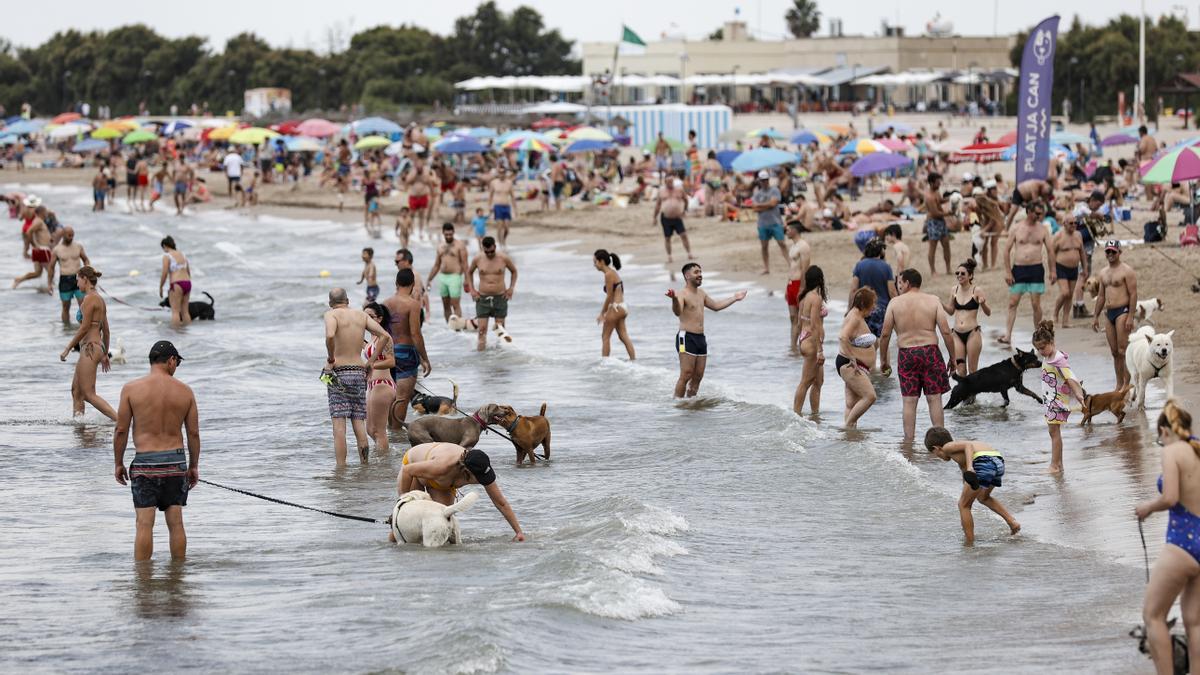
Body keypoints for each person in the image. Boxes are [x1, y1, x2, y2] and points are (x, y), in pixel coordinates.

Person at [113, 341, 199, 561]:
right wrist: (193, 467)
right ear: (171, 360)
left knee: (144, 524)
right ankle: (178, 575)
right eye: (177, 362)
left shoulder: (131, 389)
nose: (176, 367)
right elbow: (193, 434)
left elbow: (121, 429)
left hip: (145, 465)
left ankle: (143, 580)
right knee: (176, 523)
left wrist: (118, 463)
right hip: (175, 464)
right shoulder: (186, 392)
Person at [1136, 400, 1200, 674]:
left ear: (1164, 430)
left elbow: (1171, 497)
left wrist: (1148, 507)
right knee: (1194, 622)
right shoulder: (1197, 448)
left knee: (1153, 615)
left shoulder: (1173, 450)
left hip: (1183, 543)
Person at [880, 269, 954, 443]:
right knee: (934, 398)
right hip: (930, 352)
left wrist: (883, 360)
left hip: (907, 354)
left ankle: (908, 443)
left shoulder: (894, 303)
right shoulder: (933, 300)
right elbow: (946, 331)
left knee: (909, 401)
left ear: (907, 283)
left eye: (900, 282)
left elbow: (885, 335)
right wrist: (953, 357)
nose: (899, 286)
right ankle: (941, 442)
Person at [397, 443, 525, 541]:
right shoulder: (442, 466)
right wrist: (403, 501)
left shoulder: (480, 467)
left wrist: (518, 532)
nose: (483, 481)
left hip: (442, 485)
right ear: (466, 472)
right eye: (479, 479)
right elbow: (408, 471)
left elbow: (501, 503)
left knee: (443, 525)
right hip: (415, 469)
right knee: (408, 526)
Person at [323, 287, 390, 466]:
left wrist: (331, 357)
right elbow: (384, 335)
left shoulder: (331, 315)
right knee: (358, 422)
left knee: (339, 426)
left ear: (331, 304)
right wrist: (371, 362)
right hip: (359, 371)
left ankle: (341, 469)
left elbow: (330, 335)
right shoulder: (361, 316)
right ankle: (364, 465)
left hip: (339, 371)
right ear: (348, 301)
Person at [924, 427, 1020, 546]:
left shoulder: (948, 447)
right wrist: (967, 477)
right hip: (997, 461)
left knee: (963, 505)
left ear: (936, 448)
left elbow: (968, 446)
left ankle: (969, 543)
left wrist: (970, 467)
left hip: (982, 462)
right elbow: (965, 474)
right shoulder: (958, 453)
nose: (939, 457)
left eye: (935, 455)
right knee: (983, 497)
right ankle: (1012, 522)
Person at [666, 262, 747, 398]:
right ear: (687, 275)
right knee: (686, 374)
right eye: (696, 272)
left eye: (700, 272)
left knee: (698, 376)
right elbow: (677, 311)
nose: (700, 275)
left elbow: (715, 306)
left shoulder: (701, 293)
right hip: (685, 338)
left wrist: (734, 298)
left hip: (700, 338)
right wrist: (674, 299)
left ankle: (690, 403)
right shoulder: (681, 294)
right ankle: (677, 405)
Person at [59, 266, 117, 420]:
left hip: (90, 349)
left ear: (85, 279)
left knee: (88, 394)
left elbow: (84, 328)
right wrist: (104, 353)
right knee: (76, 391)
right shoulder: (99, 299)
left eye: (77, 280)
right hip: (95, 348)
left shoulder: (90, 298)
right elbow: (106, 330)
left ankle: (120, 421)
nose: (77, 284)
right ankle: (80, 424)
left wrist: (67, 348)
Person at [1031, 320, 1085, 474]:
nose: (1041, 351)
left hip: (1057, 401)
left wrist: (1079, 394)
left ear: (1051, 342)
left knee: (1054, 432)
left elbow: (1069, 377)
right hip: (1050, 400)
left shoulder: (1057, 358)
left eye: (1043, 347)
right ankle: (1059, 465)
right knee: (1053, 432)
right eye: (1038, 349)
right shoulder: (1049, 356)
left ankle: (1055, 465)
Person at [380, 269, 431, 430]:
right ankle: (395, 433)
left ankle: (389, 431)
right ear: (413, 284)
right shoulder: (413, 305)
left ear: (396, 283)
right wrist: (425, 358)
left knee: (391, 395)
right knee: (402, 397)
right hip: (406, 353)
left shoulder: (385, 304)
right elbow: (415, 334)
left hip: (387, 352)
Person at [1001, 200, 1056, 345]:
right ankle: (1007, 335)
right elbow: (1006, 250)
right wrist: (1008, 272)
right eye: (1037, 213)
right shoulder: (1017, 228)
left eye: (1041, 213)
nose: (1039, 216)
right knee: (1013, 303)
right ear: (1029, 212)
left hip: (1036, 268)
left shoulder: (1043, 229)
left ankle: (1039, 335)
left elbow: (1050, 251)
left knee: (1035, 304)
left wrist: (1053, 271)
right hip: (1019, 269)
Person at [1091, 240, 1138, 390]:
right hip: (1109, 313)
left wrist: (1131, 316)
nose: (1110, 254)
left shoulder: (1127, 271)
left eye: (1113, 251)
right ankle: (1119, 383)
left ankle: (1127, 383)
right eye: (1108, 251)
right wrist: (1095, 316)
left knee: (1123, 350)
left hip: (1122, 311)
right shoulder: (1103, 272)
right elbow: (1101, 296)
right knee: (1114, 352)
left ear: (1119, 252)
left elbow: (1133, 294)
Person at [466, 236, 517, 351]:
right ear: (483, 248)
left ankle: (500, 357)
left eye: (491, 251)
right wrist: (472, 290)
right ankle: (482, 360)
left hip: (500, 297)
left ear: (495, 246)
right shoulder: (478, 259)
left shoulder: (503, 258)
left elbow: (514, 271)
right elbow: (469, 273)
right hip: (482, 298)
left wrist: (511, 288)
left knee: (500, 330)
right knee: (482, 330)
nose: (489, 254)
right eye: (486, 251)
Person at [942, 259, 990, 378]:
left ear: (970, 275)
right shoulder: (954, 290)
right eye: (957, 273)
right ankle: (965, 396)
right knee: (961, 371)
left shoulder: (976, 290)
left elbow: (988, 313)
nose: (959, 275)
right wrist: (940, 304)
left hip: (972, 333)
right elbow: (951, 311)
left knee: (973, 371)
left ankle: (973, 396)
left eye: (962, 273)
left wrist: (983, 304)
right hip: (957, 334)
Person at [838, 288, 879, 427]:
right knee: (870, 396)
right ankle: (846, 429)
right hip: (850, 364)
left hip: (849, 363)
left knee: (851, 405)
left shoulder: (856, 316)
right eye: (873, 303)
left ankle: (850, 438)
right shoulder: (855, 317)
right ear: (863, 303)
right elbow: (843, 337)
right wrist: (852, 358)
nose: (874, 306)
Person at [1071, 190, 1111, 319]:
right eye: (1097, 204)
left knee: (1084, 275)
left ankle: (1079, 305)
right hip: (1080, 249)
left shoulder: (1088, 211)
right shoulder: (1082, 207)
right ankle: (1079, 306)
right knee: (1082, 276)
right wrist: (1097, 215)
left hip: (1087, 248)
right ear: (1092, 200)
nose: (1098, 208)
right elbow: (1082, 213)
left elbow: (1095, 226)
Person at [362, 303, 396, 451]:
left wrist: (371, 365)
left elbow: (391, 362)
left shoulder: (385, 337)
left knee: (378, 431)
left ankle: (383, 466)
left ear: (379, 319)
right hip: (372, 385)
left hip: (383, 384)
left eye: (370, 317)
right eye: (364, 316)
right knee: (370, 430)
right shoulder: (371, 338)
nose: (366, 320)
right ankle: (383, 463)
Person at [793, 265, 827, 415]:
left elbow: (799, 322)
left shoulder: (804, 297)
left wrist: (800, 341)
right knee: (806, 382)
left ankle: (815, 415)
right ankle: (796, 415)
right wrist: (819, 350)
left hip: (805, 339)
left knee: (818, 382)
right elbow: (814, 324)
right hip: (813, 342)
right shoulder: (816, 298)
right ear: (820, 280)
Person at [848, 238, 896, 340]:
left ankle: (869, 355)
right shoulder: (886, 267)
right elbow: (892, 291)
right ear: (880, 251)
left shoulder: (859, 265)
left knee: (864, 340)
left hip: (863, 309)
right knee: (882, 340)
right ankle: (881, 356)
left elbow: (853, 289)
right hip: (881, 309)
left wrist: (849, 308)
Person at [594, 249, 635, 360]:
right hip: (622, 307)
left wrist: (602, 313)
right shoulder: (613, 273)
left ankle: (604, 364)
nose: (594, 265)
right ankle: (633, 361)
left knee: (605, 336)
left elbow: (609, 296)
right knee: (623, 336)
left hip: (616, 308)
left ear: (601, 261)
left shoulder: (608, 274)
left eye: (595, 262)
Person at [426, 222, 469, 322]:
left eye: (450, 234)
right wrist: (429, 279)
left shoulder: (460, 246)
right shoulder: (440, 246)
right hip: (443, 277)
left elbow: (465, 264)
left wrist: (467, 280)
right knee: (445, 305)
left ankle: (458, 328)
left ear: (453, 232)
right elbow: (436, 265)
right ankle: (450, 330)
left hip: (455, 276)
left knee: (455, 304)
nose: (449, 236)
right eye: (446, 234)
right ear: (443, 233)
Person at [49, 226, 90, 324]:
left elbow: (86, 260)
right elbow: (51, 267)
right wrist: (49, 283)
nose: (71, 237)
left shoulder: (78, 246)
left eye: (72, 235)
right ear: (63, 235)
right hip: (65, 280)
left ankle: (84, 327)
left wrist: (88, 273)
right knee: (66, 306)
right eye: (69, 235)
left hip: (78, 279)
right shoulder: (57, 249)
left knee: (83, 304)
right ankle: (66, 328)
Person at [751, 170, 788, 275]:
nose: (765, 182)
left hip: (775, 221)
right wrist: (766, 205)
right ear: (760, 181)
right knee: (764, 246)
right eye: (763, 180)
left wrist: (760, 205)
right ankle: (766, 268)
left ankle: (791, 264)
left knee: (782, 243)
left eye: (766, 180)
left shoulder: (775, 190)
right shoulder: (758, 193)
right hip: (763, 223)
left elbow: (773, 204)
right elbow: (754, 208)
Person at [13, 200, 53, 293]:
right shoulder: (38, 221)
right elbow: (29, 231)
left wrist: (49, 240)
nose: (47, 213)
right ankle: (51, 288)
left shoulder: (38, 221)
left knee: (38, 273)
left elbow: (37, 234)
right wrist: (35, 245)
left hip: (39, 249)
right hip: (42, 249)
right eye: (45, 212)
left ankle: (19, 279)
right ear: (41, 212)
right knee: (51, 270)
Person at [784, 222, 813, 351]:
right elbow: (791, 267)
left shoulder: (804, 246)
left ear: (795, 230)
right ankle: (793, 346)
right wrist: (787, 285)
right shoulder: (793, 246)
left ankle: (803, 345)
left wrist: (802, 287)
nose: (787, 231)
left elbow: (805, 268)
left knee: (800, 317)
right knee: (792, 317)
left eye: (789, 229)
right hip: (791, 283)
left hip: (798, 284)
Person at [1051, 214, 1084, 328]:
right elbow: (1051, 254)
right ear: (1064, 224)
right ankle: (1055, 313)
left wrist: (1085, 268)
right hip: (1061, 267)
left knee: (1070, 295)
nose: (1074, 225)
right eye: (1071, 223)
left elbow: (1082, 252)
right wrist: (1052, 271)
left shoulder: (1078, 235)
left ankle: (1065, 321)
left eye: (1076, 223)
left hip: (1074, 268)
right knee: (1065, 293)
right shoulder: (1058, 235)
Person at [652, 178, 693, 263]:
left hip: (677, 217)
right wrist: (654, 217)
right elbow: (658, 205)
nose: (670, 183)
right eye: (668, 182)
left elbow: (686, 200)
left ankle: (689, 253)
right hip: (665, 217)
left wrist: (685, 210)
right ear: (665, 182)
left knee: (683, 235)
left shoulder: (679, 190)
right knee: (667, 237)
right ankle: (669, 256)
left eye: (671, 181)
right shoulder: (661, 191)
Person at [158, 236, 192, 329]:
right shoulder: (183, 254)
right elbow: (188, 271)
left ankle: (175, 334)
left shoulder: (167, 256)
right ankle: (188, 332)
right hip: (187, 283)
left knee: (175, 311)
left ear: (165, 246)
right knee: (185, 311)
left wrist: (161, 287)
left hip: (177, 284)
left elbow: (164, 273)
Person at [922, 173, 952, 276]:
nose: (939, 184)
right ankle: (933, 271)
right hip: (933, 222)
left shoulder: (936, 192)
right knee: (933, 247)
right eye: (938, 182)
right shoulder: (929, 197)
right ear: (931, 183)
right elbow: (935, 213)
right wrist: (948, 213)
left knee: (946, 245)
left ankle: (948, 269)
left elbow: (940, 201)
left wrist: (951, 198)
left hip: (941, 221)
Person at [487, 168, 516, 248]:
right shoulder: (494, 183)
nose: (501, 174)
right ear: (498, 173)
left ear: (505, 173)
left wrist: (515, 209)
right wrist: (489, 206)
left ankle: (503, 240)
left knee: (507, 228)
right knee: (499, 226)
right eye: (500, 172)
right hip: (497, 206)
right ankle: (500, 244)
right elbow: (490, 195)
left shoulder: (509, 183)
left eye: (503, 172)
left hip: (506, 206)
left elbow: (513, 197)